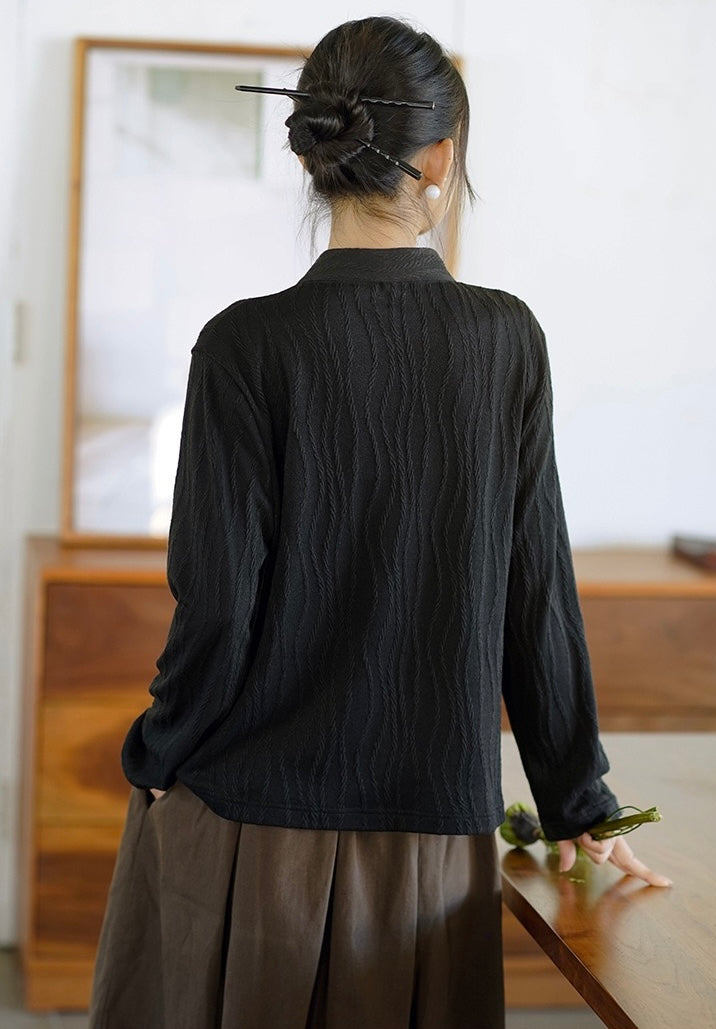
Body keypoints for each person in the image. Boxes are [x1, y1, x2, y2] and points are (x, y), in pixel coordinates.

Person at [88, 15, 670, 1029]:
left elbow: (217, 605)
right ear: (439, 158)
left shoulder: (241, 345)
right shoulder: (505, 340)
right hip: (431, 848)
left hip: (250, 830)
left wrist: (157, 752)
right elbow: (535, 589)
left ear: (308, 156)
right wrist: (578, 798)